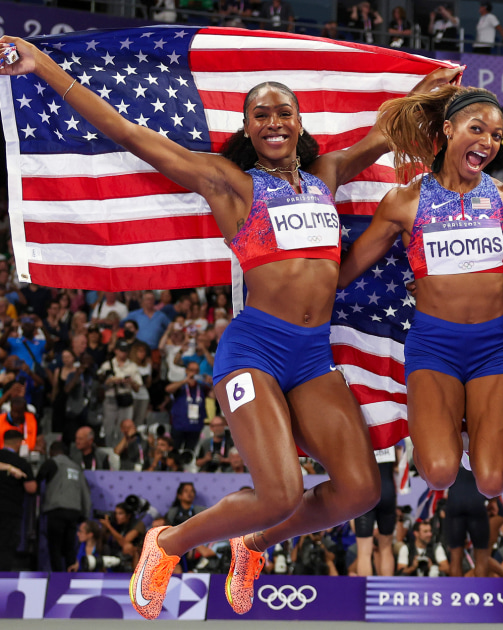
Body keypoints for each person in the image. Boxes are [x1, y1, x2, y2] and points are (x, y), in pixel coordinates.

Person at [0, 34, 461, 617]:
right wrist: (41, 66)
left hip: (313, 359)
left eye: (283, 112)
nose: (273, 121)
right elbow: (128, 133)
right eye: (260, 114)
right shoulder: (230, 183)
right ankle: (165, 544)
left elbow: (390, 129)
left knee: (362, 490)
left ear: (298, 122)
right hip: (255, 352)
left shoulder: (328, 174)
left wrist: (437, 86)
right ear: (247, 128)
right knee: (280, 491)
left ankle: (255, 543)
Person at [338, 86, 503, 501]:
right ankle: (447, 428)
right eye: (478, 129)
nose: (488, 142)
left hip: (493, 345)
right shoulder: (404, 201)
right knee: (440, 472)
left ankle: (468, 426)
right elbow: (346, 273)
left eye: (497, 136)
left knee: (492, 482)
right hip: (434, 346)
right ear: (448, 129)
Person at [39, 441, 92, 572]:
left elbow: (36, 481)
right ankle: (70, 575)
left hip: (56, 510)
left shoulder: (52, 462)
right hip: (74, 511)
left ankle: (57, 576)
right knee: (69, 546)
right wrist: (84, 515)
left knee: (55, 546)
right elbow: (85, 493)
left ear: (51, 452)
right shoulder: (77, 467)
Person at [353, 445, 399, 577]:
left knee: (364, 551)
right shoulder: (389, 431)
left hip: (365, 493)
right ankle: (387, 593)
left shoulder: (359, 435)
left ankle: (365, 594)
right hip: (387, 491)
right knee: (386, 547)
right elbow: (399, 465)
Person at [0, 430, 36, 571]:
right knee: (6, 545)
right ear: (19, 442)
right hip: (10, 509)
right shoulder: (21, 463)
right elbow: (31, 488)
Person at [165, 361, 209, 451]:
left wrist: (211, 382)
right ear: (186, 371)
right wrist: (184, 381)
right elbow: (168, 389)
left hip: (195, 426)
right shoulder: (181, 386)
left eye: (196, 371)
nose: (194, 373)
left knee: (189, 452)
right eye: (192, 370)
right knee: (174, 450)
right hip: (179, 425)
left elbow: (214, 395)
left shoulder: (202, 386)